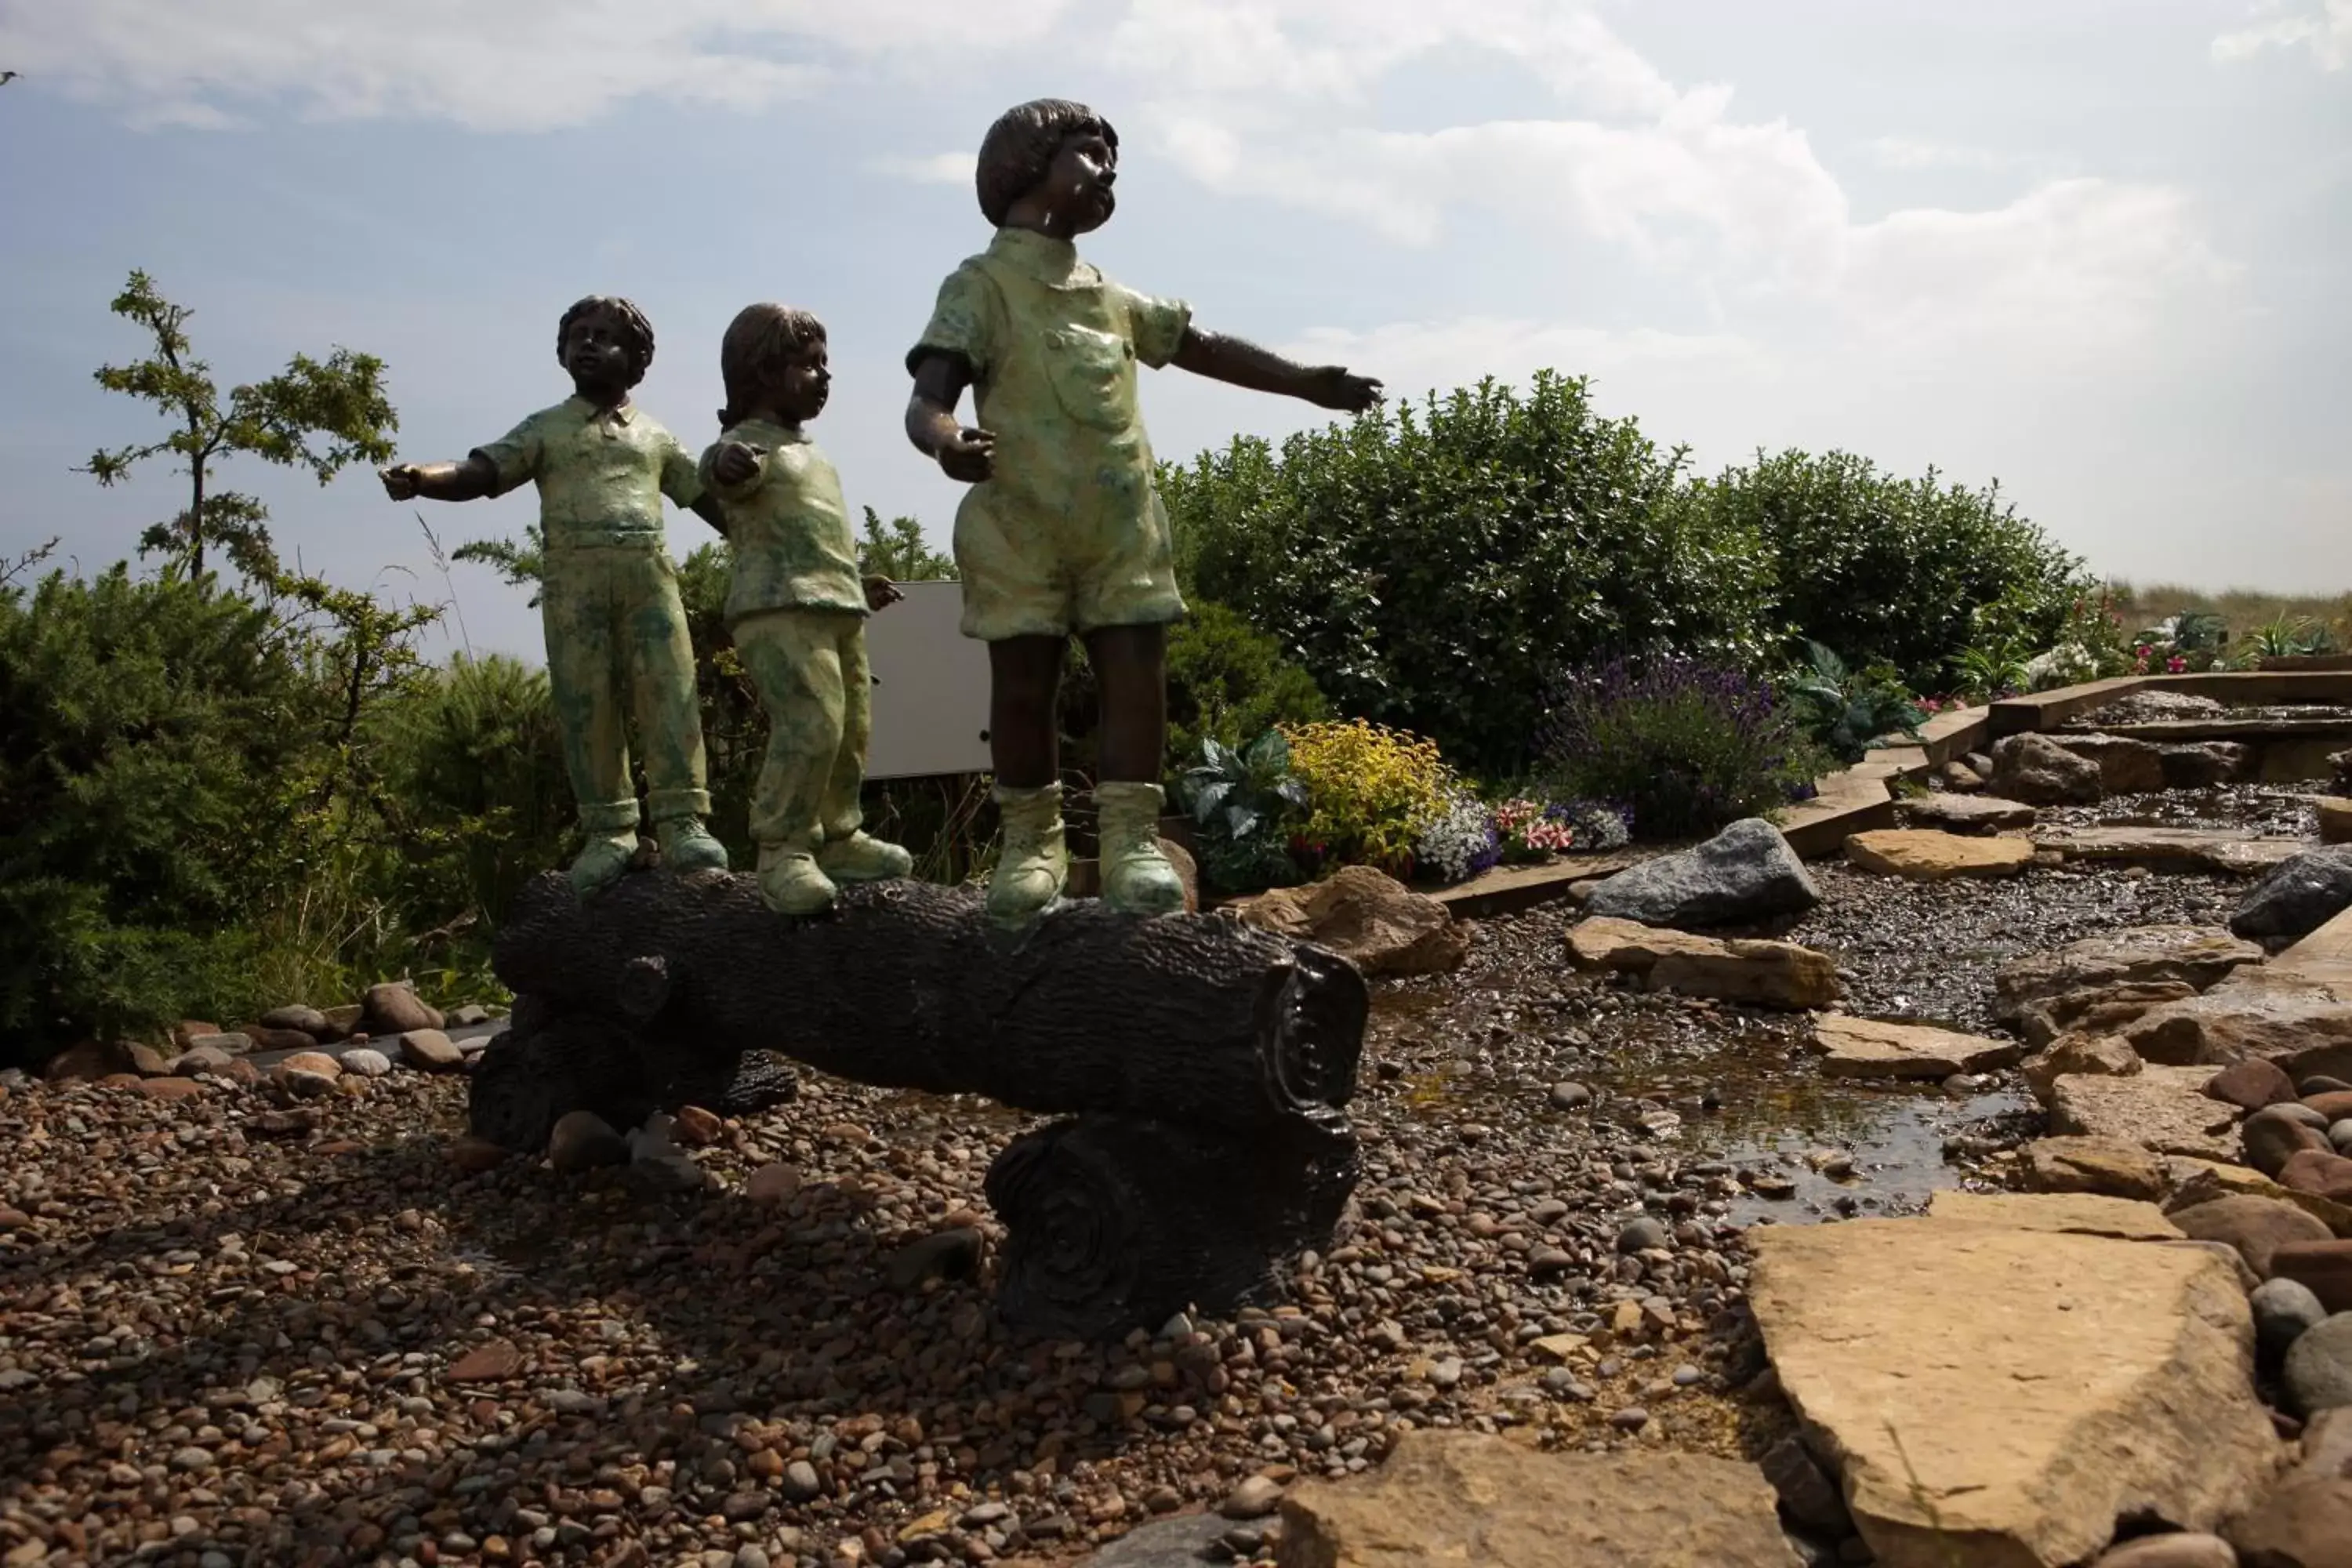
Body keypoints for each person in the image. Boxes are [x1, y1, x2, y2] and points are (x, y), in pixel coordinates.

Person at [905, 97, 1381, 927]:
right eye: (1088, 154)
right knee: (1023, 691)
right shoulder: (981, 286)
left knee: (1137, 681)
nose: (1107, 171)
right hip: (1020, 528)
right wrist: (947, 441)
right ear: (1029, 165)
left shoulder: (1111, 296)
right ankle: (1032, 845)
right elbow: (926, 399)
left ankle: (1129, 841)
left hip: (1120, 529)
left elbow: (1202, 346)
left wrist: (1304, 380)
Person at [380, 295, 728, 896]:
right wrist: (422, 479)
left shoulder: (656, 437)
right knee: (584, 699)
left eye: (605, 336)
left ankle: (682, 821)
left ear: (638, 358)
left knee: (669, 691)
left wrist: (767, 531)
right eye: (579, 335)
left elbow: (706, 499)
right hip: (574, 582)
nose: (589, 344)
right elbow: (481, 471)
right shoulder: (546, 428)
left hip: (648, 575)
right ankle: (609, 829)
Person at [700, 303, 912, 915]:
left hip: (835, 607)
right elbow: (718, 473)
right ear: (763, 371)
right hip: (776, 608)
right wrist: (727, 463)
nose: (823, 377)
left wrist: (855, 582)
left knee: (851, 729)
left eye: (826, 365)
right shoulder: (746, 445)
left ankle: (838, 835)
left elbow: (815, 539)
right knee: (811, 723)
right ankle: (783, 847)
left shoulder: (812, 455)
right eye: (808, 364)